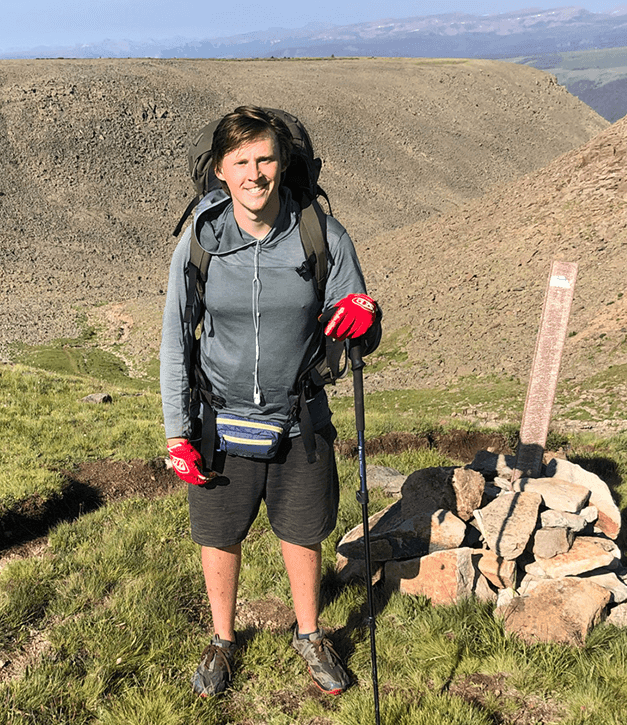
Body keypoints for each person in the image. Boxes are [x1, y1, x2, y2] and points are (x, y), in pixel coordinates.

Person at [159, 106, 379, 697]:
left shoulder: (321, 235)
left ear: (282, 164)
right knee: (218, 532)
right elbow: (176, 335)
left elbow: (359, 327)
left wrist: (365, 317)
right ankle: (223, 640)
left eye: (264, 159)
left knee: (302, 531)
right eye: (240, 162)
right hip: (218, 421)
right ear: (220, 172)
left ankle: (309, 635)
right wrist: (177, 431)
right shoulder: (201, 240)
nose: (254, 173)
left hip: (300, 417)